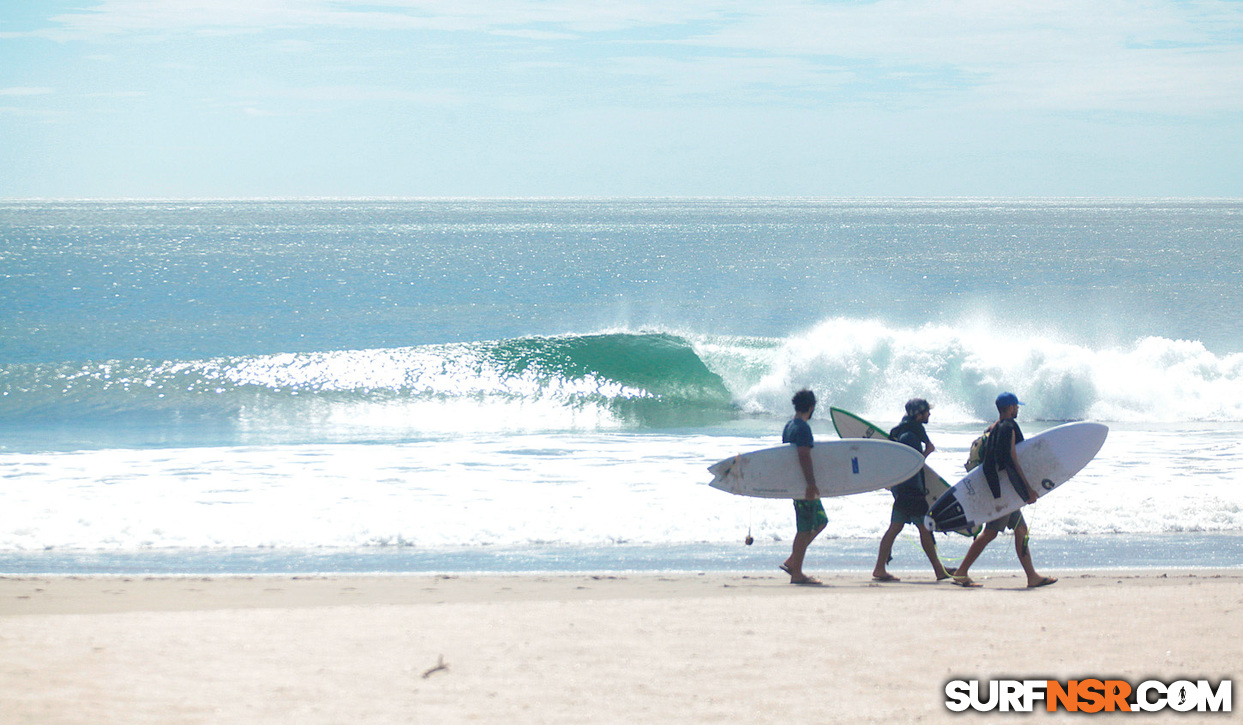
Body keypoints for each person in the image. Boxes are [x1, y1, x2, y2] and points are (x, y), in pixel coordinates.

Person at [951, 392, 1058, 589]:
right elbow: (1011, 460)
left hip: (997, 487)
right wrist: (1026, 490)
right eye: (1016, 406)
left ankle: (1032, 576)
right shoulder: (1009, 427)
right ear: (1010, 408)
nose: (1018, 409)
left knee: (1020, 530)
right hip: (1004, 491)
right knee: (991, 533)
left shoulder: (993, 428)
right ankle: (961, 572)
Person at [872, 398, 953, 582]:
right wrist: (928, 452)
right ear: (918, 414)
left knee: (896, 528)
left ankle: (879, 568)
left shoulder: (906, 431)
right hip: (911, 491)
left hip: (904, 489)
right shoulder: (910, 436)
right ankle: (939, 571)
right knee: (924, 529)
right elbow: (910, 464)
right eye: (926, 412)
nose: (929, 414)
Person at [779, 389, 827, 585]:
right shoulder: (803, 428)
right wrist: (810, 484)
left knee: (820, 522)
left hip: (795, 483)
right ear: (811, 407)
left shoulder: (789, 426)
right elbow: (803, 455)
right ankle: (797, 573)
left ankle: (793, 561)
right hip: (802, 485)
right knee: (805, 528)